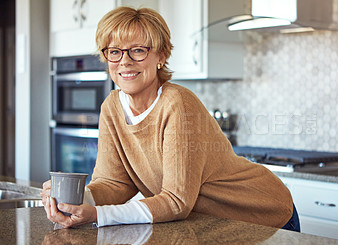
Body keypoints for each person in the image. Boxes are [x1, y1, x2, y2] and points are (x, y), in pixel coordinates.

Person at [41, 6, 300, 232]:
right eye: (115, 51)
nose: (125, 62)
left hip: (264, 216)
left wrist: (99, 215)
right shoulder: (111, 106)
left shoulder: (177, 104)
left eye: (138, 51)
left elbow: (176, 202)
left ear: (161, 56)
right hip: (209, 225)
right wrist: (77, 200)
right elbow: (115, 183)